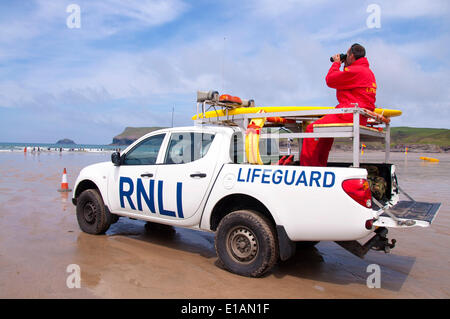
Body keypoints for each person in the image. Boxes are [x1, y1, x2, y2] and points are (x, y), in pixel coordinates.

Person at [300, 43, 377, 167]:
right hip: (359, 115)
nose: (345, 58)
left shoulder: (355, 71)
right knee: (325, 133)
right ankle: (320, 165)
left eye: (346, 55)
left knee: (311, 129)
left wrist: (336, 63)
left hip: (349, 113)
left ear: (351, 56)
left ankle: (308, 169)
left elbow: (330, 80)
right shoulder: (367, 72)